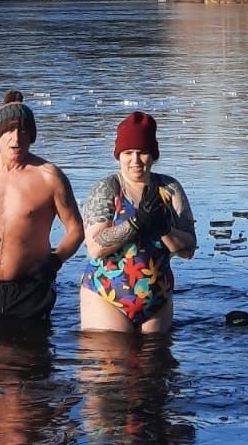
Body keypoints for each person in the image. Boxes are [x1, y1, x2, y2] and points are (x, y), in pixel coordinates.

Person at [0, 90, 84, 321]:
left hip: (32, 287)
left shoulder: (49, 177)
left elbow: (76, 230)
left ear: (31, 135)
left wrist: (55, 260)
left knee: (30, 354)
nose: (16, 138)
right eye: (9, 131)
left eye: (23, 131)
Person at [79, 111, 198, 333]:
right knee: (113, 359)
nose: (135, 160)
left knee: (157, 363)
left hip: (157, 298)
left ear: (153, 155)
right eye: (128, 153)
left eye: (142, 152)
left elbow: (188, 249)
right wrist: (135, 223)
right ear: (119, 155)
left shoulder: (170, 189)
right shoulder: (107, 189)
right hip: (106, 296)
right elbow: (95, 248)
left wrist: (164, 229)